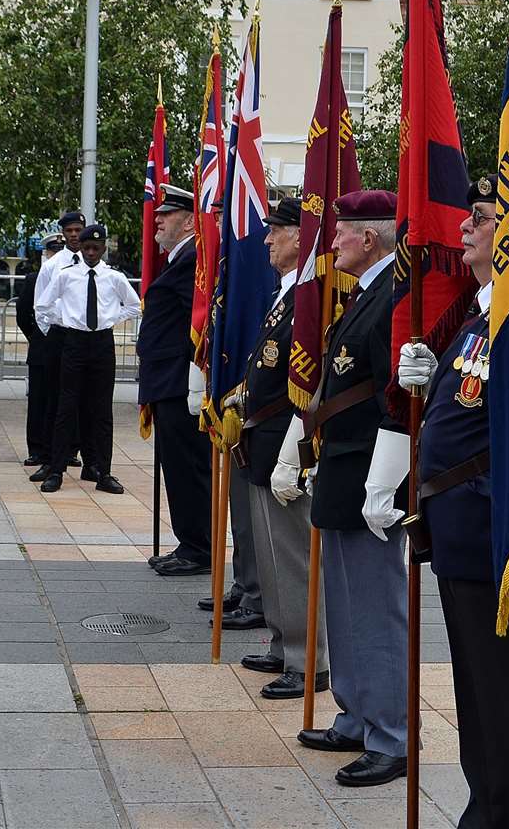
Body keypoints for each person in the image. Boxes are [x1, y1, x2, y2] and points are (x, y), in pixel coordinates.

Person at [396, 175, 509, 826]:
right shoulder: (483, 313)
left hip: (500, 536)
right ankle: (493, 806)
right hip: (466, 534)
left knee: (508, 696)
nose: (464, 229)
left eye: (480, 217)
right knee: (480, 692)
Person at [285, 188, 408, 788]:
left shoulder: (392, 297)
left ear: (370, 237)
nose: (331, 242)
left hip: (368, 473)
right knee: (344, 603)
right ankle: (357, 715)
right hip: (341, 466)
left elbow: (394, 396)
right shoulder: (365, 294)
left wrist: (386, 483)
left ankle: (391, 734)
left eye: (341, 232)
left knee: (375, 608)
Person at [232, 196, 328, 697]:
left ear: (301, 236)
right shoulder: (284, 293)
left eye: (277, 231)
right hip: (261, 437)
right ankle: (281, 641)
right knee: (270, 554)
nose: (267, 239)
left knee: (291, 554)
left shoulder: (308, 298)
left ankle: (307, 657)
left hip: (284, 439)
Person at [136, 185, 214, 576]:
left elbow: (198, 325)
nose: (158, 219)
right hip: (166, 381)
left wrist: (192, 380)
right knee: (179, 467)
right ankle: (191, 542)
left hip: (179, 383)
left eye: (166, 214)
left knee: (188, 469)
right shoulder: (177, 261)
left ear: (188, 222)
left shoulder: (191, 263)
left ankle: (198, 548)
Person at [33, 223, 139, 494]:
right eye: (87, 247)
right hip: (74, 341)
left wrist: (112, 319)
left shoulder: (113, 277)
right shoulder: (67, 275)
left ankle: (103, 470)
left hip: (102, 342)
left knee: (102, 410)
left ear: (104, 248)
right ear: (79, 247)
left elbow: (134, 305)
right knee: (66, 407)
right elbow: (42, 306)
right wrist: (62, 323)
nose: (91, 252)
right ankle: (56, 469)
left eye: (96, 247)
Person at [32, 210, 88, 476]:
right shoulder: (52, 266)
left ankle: (84, 456)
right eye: (70, 231)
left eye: (78, 230)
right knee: (54, 398)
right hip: (60, 334)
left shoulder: (94, 262)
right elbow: (40, 304)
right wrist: (52, 333)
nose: (75, 235)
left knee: (86, 400)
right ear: (63, 233)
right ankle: (48, 457)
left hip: (86, 337)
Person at [17, 234, 64, 467]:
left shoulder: (71, 276)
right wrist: (37, 337)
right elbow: (23, 314)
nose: (55, 256)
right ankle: (36, 449)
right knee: (39, 401)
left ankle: (66, 449)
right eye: (52, 251)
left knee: (65, 400)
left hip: (66, 349)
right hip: (41, 348)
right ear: (46, 254)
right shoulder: (34, 279)